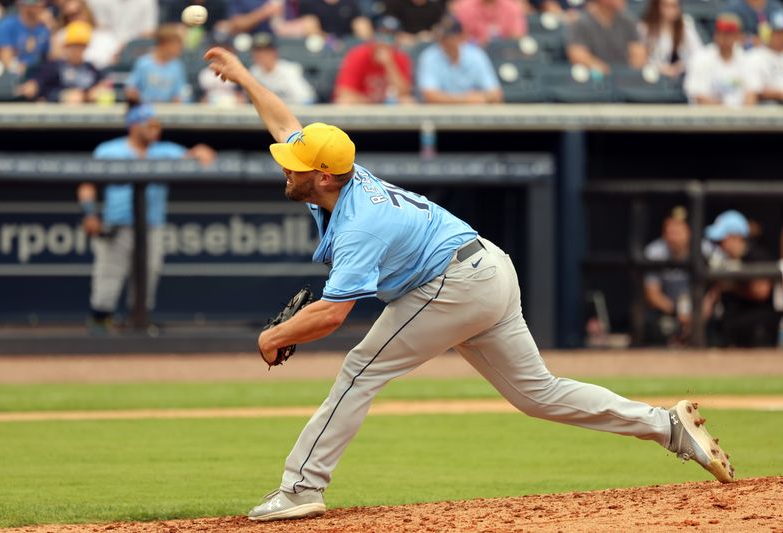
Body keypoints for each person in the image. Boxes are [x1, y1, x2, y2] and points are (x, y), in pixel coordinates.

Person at [202, 44, 736, 522]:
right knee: (538, 394)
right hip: (485, 270)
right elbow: (283, 121)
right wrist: (246, 77)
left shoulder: (360, 223)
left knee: (360, 368)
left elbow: (334, 313)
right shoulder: (339, 172)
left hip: (451, 284)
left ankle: (300, 488)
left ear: (321, 176)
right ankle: (667, 426)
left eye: (294, 166)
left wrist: (273, 336)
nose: (285, 169)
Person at [77, 104, 216, 332]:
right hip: (116, 225)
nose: (155, 129)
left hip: (152, 226)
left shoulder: (164, 150)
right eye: (149, 125)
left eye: (157, 125)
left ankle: (138, 323)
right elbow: (87, 184)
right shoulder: (109, 150)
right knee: (108, 276)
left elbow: (201, 156)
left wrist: (200, 150)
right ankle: (100, 324)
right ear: (134, 126)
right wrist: (90, 213)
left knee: (147, 278)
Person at [643, 207, 718, 345]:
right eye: (669, 231)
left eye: (677, 231)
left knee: (716, 327)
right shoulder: (654, 252)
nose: (672, 236)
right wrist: (678, 313)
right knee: (656, 327)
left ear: (689, 231)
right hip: (668, 310)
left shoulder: (706, 250)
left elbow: (718, 286)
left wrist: (702, 310)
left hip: (701, 311)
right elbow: (652, 294)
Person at [706, 210, 779, 347]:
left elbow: (761, 292)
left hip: (757, 325)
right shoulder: (723, 261)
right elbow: (714, 293)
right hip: (731, 323)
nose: (719, 245)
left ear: (736, 237)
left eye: (721, 240)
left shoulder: (758, 256)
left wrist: (731, 287)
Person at [416, 16, 503, 103]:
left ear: (462, 37)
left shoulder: (476, 55)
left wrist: (480, 97)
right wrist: (464, 100)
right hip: (440, 112)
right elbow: (429, 96)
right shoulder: (429, 57)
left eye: (451, 37)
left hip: (472, 112)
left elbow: (495, 93)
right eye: (443, 38)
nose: (446, 42)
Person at [16, 20, 107, 103]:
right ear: (66, 47)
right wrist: (61, 96)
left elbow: (103, 85)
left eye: (80, 47)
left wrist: (89, 94)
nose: (76, 51)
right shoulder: (55, 67)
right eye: (73, 46)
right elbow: (39, 87)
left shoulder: (91, 69)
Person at [334, 16, 414, 104]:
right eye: (381, 35)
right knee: (345, 102)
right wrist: (371, 103)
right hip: (363, 103)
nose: (385, 41)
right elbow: (344, 91)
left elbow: (404, 92)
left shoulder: (401, 57)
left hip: (389, 104)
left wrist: (389, 64)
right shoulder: (357, 55)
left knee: (407, 102)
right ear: (373, 36)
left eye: (391, 37)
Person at [684, 13, 757, 107]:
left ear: (738, 36)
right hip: (706, 117)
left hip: (739, 117)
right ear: (716, 34)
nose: (724, 37)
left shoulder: (746, 59)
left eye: (729, 34)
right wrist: (725, 112)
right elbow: (699, 97)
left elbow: (751, 94)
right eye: (721, 32)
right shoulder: (701, 58)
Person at [566, 0, 647, 74]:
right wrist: (604, 70)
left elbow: (638, 54)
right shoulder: (582, 22)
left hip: (625, 80)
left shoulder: (628, 22)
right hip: (593, 81)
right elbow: (577, 54)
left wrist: (628, 74)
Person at [125, 24, 189, 104]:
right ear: (164, 44)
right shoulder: (143, 63)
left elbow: (182, 93)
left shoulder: (177, 66)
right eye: (175, 44)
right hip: (145, 111)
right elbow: (131, 88)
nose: (179, 48)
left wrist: (179, 100)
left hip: (168, 111)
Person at [246, 32, 315, 105]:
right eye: (258, 52)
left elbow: (306, 98)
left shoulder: (289, 70)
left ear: (274, 52)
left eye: (266, 51)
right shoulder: (254, 72)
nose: (262, 55)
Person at [638, 0, 703, 78]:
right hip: (652, 78)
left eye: (674, 6)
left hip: (680, 78)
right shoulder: (644, 29)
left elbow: (699, 55)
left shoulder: (686, 29)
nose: (671, 10)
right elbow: (638, 59)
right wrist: (660, 68)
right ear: (657, 6)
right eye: (666, 6)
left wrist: (681, 66)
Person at [49, 0, 120, 70]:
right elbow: (55, 62)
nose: (75, 18)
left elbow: (115, 59)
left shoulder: (104, 35)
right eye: (70, 15)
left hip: (102, 74)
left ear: (86, 11)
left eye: (77, 13)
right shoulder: (61, 36)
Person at [0, 0, 51, 75]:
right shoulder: (8, 25)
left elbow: (53, 58)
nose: (39, 6)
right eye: (34, 4)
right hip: (11, 77)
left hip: (38, 77)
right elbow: (6, 62)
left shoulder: (43, 29)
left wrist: (50, 26)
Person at [86, 0, 158, 53]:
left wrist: (127, 46)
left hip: (136, 48)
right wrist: (114, 47)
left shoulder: (147, 2)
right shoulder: (99, 2)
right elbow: (101, 28)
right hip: (107, 47)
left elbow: (149, 31)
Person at [451, 0, 527, 45]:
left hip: (505, 55)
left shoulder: (511, 7)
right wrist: (477, 42)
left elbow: (518, 36)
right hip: (474, 55)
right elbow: (458, 38)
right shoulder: (464, 7)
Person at [746, 10, 783, 103]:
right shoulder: (755, 56)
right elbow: (755, 90)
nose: (780, 37)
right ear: (768, 33)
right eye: (777, 33)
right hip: (766, 105)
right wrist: (778, 94)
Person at [382, 0, 448, 45]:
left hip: (426, 39)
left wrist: (431, 34)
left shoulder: (435, 7)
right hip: (405, 39)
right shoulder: (400, 4)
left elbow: (439, 26)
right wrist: (398, 34)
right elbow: (389, 22)